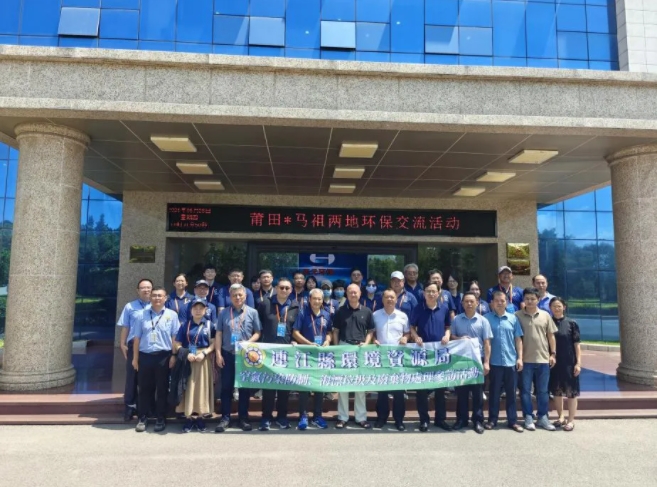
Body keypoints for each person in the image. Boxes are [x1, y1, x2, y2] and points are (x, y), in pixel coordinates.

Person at [132, 287, 180, 433]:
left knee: (162, 388)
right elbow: (136, 338)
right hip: (145, 356)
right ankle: (143, 417)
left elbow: (175, 337)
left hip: (164, 356)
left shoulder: (172, 315)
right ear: (150, 298)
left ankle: (161, 417)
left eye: (160, 296)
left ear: (165, 298)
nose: (157, 298)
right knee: (144, 388)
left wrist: (174, 355)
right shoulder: (141, 315)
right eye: (154, 295)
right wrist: (135, 358)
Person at [215, 284, 262, 433]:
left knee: (244, 388)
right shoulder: (223, 313)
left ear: (245, 296)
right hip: (227, 354)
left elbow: (257, 332)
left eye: (240, 295)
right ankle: (225, 418)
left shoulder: (253, 312)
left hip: (244, 356)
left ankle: (243, 418)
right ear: (230, 297)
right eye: (234, 295)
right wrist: (218, 354)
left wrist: (248, 343)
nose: (237, 297)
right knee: (226, 388)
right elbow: (218, 334)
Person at [257, 277, 300, 431]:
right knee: (268, 387)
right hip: (268, 352)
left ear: (291, 290)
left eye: (287, 288)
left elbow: (297, 328)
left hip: (287, 352)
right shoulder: (265, 303)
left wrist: (296, 341)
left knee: (283, 388)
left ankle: (282, 417)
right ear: (276, 288)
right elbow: (258, 326)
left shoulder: (295, 306)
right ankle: (266, 417)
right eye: (281, 287)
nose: (284, 290)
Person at [410, 281, 452, 432]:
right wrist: (416, 337)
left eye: (434, 291)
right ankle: (424, 420)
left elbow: (448, 327)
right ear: (424, 293)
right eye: (428, 291)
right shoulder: (418, 308)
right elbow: (411, 327)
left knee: (440, 388)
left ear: (439, 293)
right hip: (423, 353)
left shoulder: (444, 308)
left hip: (440, 354)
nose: (431, 294)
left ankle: (440, 419)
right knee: (422, 389)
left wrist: (447, 336)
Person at [332, 283, 375, 429]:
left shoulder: (367, 311)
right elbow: (336, 331)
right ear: (347, 294)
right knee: (343, 385)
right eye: (350, 292)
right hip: (344, 347)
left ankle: (361, 418)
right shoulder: (340, 311)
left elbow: (370, 331)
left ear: (360, 294)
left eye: (355, 292)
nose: (353, 294)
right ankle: (342, 417)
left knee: (360, 385)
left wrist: (367, 343)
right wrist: (337, 348)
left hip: (360, 349)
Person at [515, 287, 558, 431]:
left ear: (538, 300)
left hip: (543, 359)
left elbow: (551, 336)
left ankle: (542, 417)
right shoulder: (517, 315)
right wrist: (519, 357)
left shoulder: (545, 315)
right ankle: (528, 416)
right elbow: (517, 338)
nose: (530, 301)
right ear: (523, 300)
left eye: (533, 299)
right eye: (527, 298)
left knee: (543, 391)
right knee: (525, 391)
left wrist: (553, 354)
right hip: (525, 360)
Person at [450, 292, 492, 434]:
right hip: (461, 360)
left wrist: (486, 362)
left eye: (471, 301)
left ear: (477, 303)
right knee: (461, 392)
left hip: (477, 360)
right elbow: (452, 336)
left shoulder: (483, 321)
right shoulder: (456, 319)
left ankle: (478, 420)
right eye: (466, 301)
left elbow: (487, 343)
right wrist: (460, 338)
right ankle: (461, 419)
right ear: (462, 304)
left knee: (477, 393)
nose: (469, 304)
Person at [292, 288, 332, 430]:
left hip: (321, 356)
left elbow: (329, 332)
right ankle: (303, 416)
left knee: (319, 387)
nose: (317, 301)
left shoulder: (326, 314)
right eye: (314, 298)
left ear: (322, 300)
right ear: (309, 299)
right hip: (306, 355)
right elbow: (295, 332)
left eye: (319, 299)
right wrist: (309, 344)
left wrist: (328, 340)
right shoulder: (303, 313)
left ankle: (317, 416)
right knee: (304, 387)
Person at [173, 298, 215, 433]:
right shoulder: (185, 325)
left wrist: (205, 353)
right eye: (195, 308)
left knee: (202, 387)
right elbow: (177, 343)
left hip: (203, 359)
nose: (198, 311)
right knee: (188, 386)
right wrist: (184, 353)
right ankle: (189, 418)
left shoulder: (210, 325)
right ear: (191, 310)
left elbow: (214, 343)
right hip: (188, 359)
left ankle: (201, 417)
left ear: (205, 310)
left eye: (201, 308)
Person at [484, 291, 524, 433]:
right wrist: (486, 361)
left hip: (510, 361)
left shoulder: (513, 319)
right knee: (494, 393)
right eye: (497, 300)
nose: (500, 303)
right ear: (492, 303)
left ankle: (512, 421)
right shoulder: (486, 319)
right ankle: (492, 420)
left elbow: (518, 339)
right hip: (494, 362)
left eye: (502, 300)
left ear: (506, 302)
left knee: (511, 393)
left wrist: (520, 358)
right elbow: (485, 341)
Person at [372, 289, 410, 431]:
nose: (389, 300)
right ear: (382, 299)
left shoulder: (402, 316)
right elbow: (371, 332)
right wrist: (374, 339)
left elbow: (407, 332)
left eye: (392, 297)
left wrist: (405, 337)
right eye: (387, 297)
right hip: (381, 357)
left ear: (396, 299)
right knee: (382, 391)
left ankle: (399, 419)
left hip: (398, 358)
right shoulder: (375, 315)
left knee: (399, 391)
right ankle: (381, 418)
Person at [117, 278, 152, 421]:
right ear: (138, 290)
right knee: (132, 377)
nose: (146, 290)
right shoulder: (130, 306)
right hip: (133, 345)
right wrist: (122, 343)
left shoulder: (157, 305)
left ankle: (147, 407)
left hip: (150, 346)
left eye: (148, 287)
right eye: (143, 288)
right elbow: (125, 326)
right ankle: (130, 407)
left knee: (148, 377)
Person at [548, 297, 581, 432]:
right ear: (550, 308)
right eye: (554, 306)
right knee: (557, 391)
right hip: (553, 362)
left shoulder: (571, 323)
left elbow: (577, 345)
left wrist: (578, 363)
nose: (556, 308)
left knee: (571, 392)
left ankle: (571, 420)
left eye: (559, 306)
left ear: (564, 307)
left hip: (569, 362)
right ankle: (561, 417)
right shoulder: (547, 322)